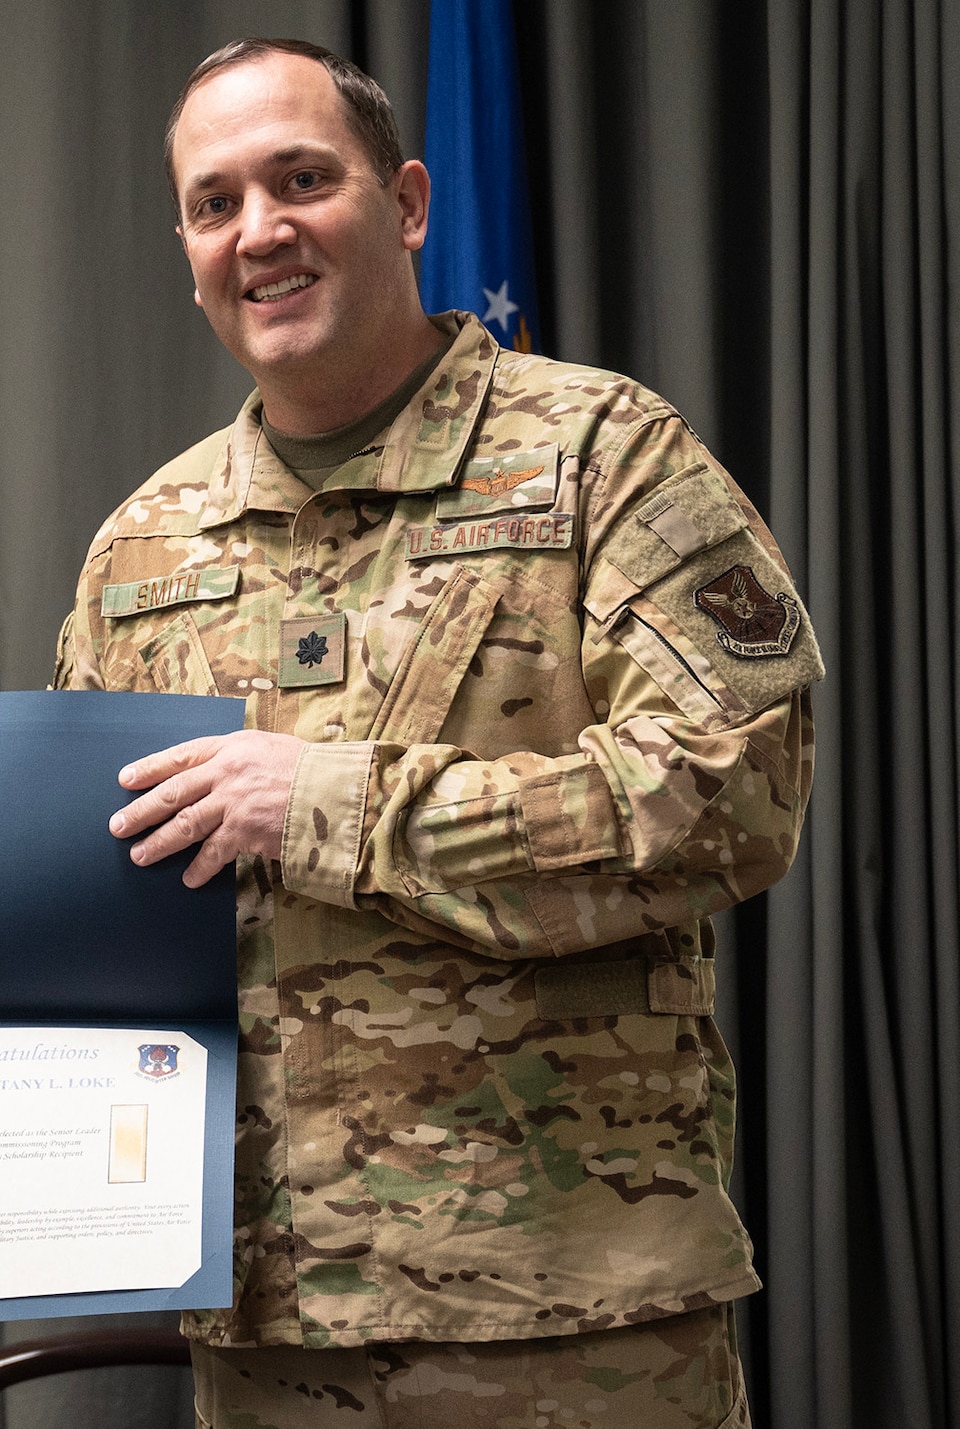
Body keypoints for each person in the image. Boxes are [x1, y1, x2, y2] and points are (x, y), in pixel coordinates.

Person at [54, 38, 821, 1428]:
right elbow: (89, 897)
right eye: (215, 202)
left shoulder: (605, 456)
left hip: (571, 1316)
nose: (261, 231)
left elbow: (733, 789)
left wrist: (326, 805)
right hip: (265, 1325)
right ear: (185, 247)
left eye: (302, 180)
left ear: (407, 203)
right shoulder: (141, 548)